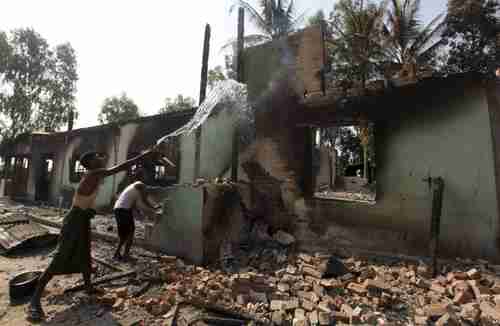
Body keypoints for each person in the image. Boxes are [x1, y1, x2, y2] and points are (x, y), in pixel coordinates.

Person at [27, 148, 159, 322]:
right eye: (97, 156)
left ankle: (88, 287)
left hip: (81, 219)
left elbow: (84, 200)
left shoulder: (93, 175)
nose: (100, 157)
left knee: (84, 252)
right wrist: (142, 156)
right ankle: (34, 301)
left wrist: (88, 211)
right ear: (91, 163)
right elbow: (120, 167)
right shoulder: (95, 174)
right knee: (60, 257)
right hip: (74, 221)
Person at [113, 181, 160, 260]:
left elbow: (140, 203)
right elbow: (143, 203)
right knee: (130, 233)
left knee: (123, 234)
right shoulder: (138, 189)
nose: (145, 193)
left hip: (117, 210)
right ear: (143, 189)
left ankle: (116, 254)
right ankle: (126, 255)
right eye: (145, 191)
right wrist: (154, 209)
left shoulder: (132, 189)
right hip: (124, 211)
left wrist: (152, 208)